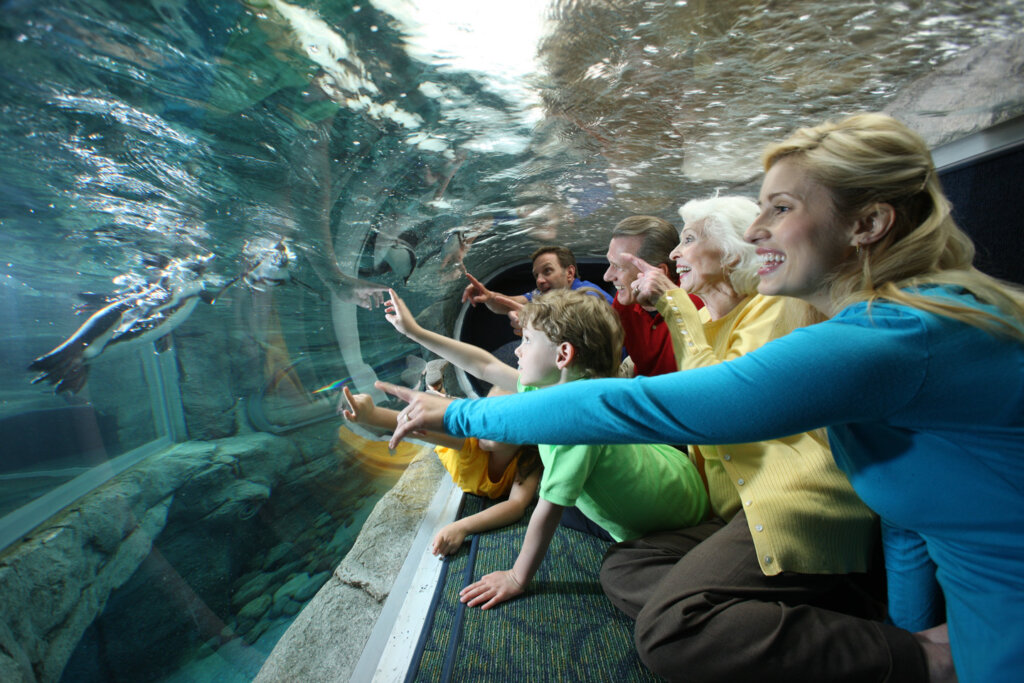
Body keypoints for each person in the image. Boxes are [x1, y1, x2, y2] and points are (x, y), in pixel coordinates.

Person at [380, 113, 1024, 683]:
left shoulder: (885, 340)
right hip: (978, 630)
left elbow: (644, 408)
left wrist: (462, 411)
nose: (758, 231)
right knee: (625, 568)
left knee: (670, 631)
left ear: (868, 224)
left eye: (780, 209)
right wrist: (911, 641)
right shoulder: (904, 323)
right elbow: (908, 521)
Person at [383, 287, 708, 611]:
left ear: (563, 355)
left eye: (527, 340)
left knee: (580, 531)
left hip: (677, 517)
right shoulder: (553, 385)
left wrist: (516, 577)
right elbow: (483, 365)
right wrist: (415, 332)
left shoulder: (576, 427)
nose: (518, 350)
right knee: (568, 499)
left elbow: (547, 511)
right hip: (667, 467)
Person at [338, 384, 541, 556]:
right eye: (481, 411)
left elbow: (516, 505)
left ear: (522, 432)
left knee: (444, 409)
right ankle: (439, 393)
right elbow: (417, 429)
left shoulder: (530, 457)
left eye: (490, 419)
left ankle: (442, 397)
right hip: (450, 443)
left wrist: (462, 526)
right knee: (433, 416)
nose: (480, 422)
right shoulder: (470, 437)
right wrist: (371, 415)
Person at [602, 215, 701, 377]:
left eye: (618, 267)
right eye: (610, 264)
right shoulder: (624, 301)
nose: (607, 276)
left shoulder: (698, 309)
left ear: (658, 272)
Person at [461, 245, 613, 322]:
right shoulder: (547, 294)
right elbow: (510, 304)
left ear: (569, 273)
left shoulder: (591, 298)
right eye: (536, 275)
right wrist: (489, 296)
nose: (539, 280)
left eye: (547, 271)